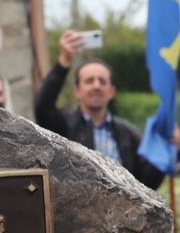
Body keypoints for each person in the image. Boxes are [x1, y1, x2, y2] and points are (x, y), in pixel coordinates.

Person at [34, 29, 164, 189]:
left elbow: (147, 183)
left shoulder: (129, 134)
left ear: (112, 92)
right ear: (77, 91)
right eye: (89, 81)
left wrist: (166, 147)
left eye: (102, 81)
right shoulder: (63, 127)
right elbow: (42, 108)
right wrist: (64, 62)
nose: (96, 86)